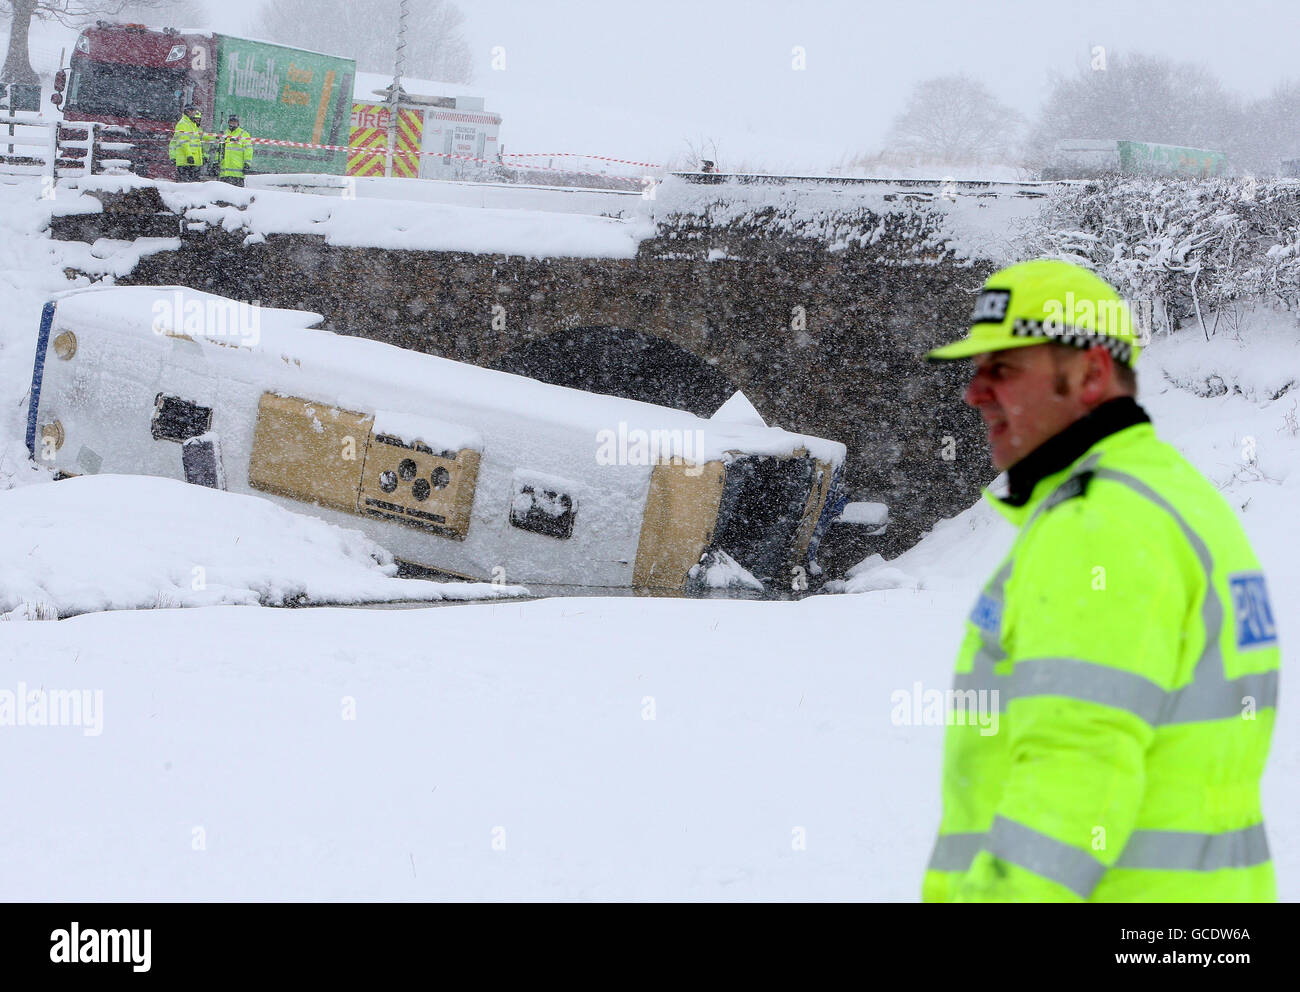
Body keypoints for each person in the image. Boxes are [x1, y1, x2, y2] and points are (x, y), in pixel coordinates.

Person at [920, 258, 1280, 902]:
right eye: (976, 372)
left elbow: (1073, 778)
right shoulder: (1171, 496)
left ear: (1089, 373)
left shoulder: (1099, 525)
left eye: (1002, 369)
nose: (976, 393)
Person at [169, 104, 204, 182]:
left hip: (193, 161)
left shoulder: (192, 124)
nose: (195, 113)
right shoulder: (183, 124)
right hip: (186, 161)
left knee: (192, 187)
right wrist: (189, 155)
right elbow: (184, 141)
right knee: (186, 185)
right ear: (188, 112)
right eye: (194, 111)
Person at [216, 114, 254, 186]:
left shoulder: (243, 134)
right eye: (231, 122)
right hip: (224, 173)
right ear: (228, 122)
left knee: (238, 195)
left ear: (238, 123)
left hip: (238, 173)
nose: (233, 123)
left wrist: (247, 163)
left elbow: (248, 150)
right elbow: (219, 149)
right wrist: (215, 162)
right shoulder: (224, 134)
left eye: (235, 122)